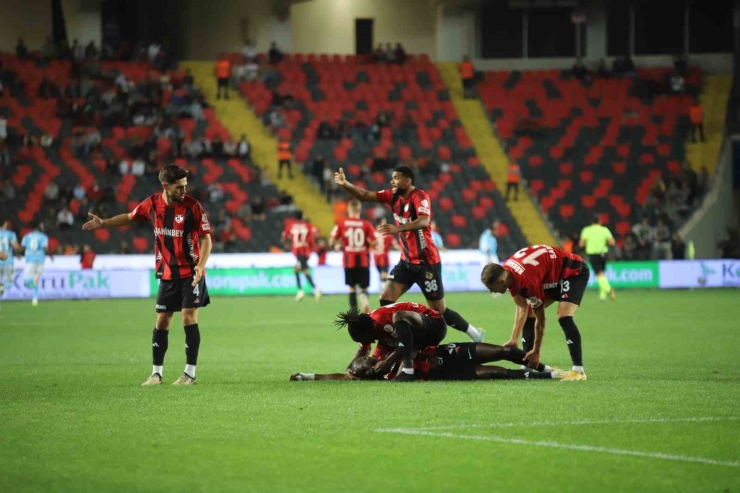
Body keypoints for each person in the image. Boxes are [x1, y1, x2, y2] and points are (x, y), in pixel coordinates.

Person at [82, 165, 212, 386]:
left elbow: (206, 239)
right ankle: (156, 374)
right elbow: (129, 217)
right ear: (165, 186)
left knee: (188, 317)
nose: (184, 191)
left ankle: (189, 374)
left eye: (185, 186)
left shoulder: (193, 207)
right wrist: (104, 223)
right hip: (168, 273)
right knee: (162, 321)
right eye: (180, 187)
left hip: (192, 272)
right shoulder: (152, 204)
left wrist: (201, 265)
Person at [334, 166, 485, 343]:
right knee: (386, 298)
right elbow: (365, 195)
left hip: (426, 263)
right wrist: (345, 184)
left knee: (439, 311)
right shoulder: (393, 196)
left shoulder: (419, 197)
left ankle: (474, 333)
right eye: (392, 177)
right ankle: (398, 338)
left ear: (408, 180)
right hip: (406, 262)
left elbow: (424, 221)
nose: (392, 181)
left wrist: (397, 228)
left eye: (396, 178)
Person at [480, 244, 590, 382]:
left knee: (564, 316)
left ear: (501, 282)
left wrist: (537, 351)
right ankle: (527, 365)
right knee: (530, 312)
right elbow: (522, 307)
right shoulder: (508, 272)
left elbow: (541, 320)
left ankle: (578, 371)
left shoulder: (527, 282)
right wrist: (514, 338)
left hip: (572, 271)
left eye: (491, 288)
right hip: (551, 275)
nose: (492, 292)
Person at [292, 341, 563, 382]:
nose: (365, 360)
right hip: (442, 374)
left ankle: (546, 367)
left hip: (445, 353)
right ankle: (544, 376)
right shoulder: (381, 375)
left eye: (363, 359)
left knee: (503, 350)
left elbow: (361, 349)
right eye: (362, 364)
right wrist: (309, 376)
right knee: (496, 372)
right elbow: (339, 376)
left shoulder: (379, 356)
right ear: (360, 374)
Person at [334, 302, 448, 382]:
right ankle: (405, 372)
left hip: (435, 325)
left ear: (369, 332)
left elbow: (407, 339)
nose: (372, 342)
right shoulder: (365, 327)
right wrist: (350, 371)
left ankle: (408, 371)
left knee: (393, 345)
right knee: (381, 357)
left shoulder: (380, 321)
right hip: (418, 334)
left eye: (368, 340)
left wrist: (389, 361)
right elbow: (364, 349)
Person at [330, 199, 377, 313]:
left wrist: (339, 244)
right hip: (363, 260)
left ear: (348, 210)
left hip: (348, 261)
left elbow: (332, 241)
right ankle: (364, 299)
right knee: (363, 288)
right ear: (359, 210)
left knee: (351, 288)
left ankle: (354, 314)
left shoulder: (342, 224)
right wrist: (367, 245)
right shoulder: (366, 225)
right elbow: (375, 242)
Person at [282, 211, 322, 302]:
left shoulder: (290, 226)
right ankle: (312, 290)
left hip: (299, 252)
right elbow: (315, 234)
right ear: (302, 216)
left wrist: (288, 242)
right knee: (300, 270)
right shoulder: (308, 226)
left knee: (301, 270)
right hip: (306, 251)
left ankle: (309, 290)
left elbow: (284, 237)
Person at [579, 215, 616, 302]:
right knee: (602, 274)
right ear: (600, 221)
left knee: (599, 275)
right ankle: (602, 297)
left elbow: (581, 244)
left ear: (592, 222)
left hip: (593, 254)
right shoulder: (604, 230)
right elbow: (612, 242)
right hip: (603, 254)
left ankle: (609, 289)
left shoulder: (587, 230)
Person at [21, 224, 51, 307]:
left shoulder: (26, 236)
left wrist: (19, 254)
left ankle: (35, 297)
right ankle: (35, 298)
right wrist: (50, 255)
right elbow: (45, 248)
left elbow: (22, 247)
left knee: (27, 280)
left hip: (30, 259)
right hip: (40, 259)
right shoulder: (43, 236)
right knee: (36, 278)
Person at [0, 220, 21, 304]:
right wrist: (18, 254)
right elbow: (16, 247)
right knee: (9, 282)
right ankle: (3, 287)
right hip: (8, 261)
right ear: (4, 224)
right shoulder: (11, 234)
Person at [372, 217, 397, 283]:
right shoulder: (388, 235)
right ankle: (384, 291)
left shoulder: (373, 234)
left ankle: (382, 289)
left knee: (381, 274)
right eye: (384, 222)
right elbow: (395, 246)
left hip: (376, 257)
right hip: (384, 257)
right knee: (384, 276)